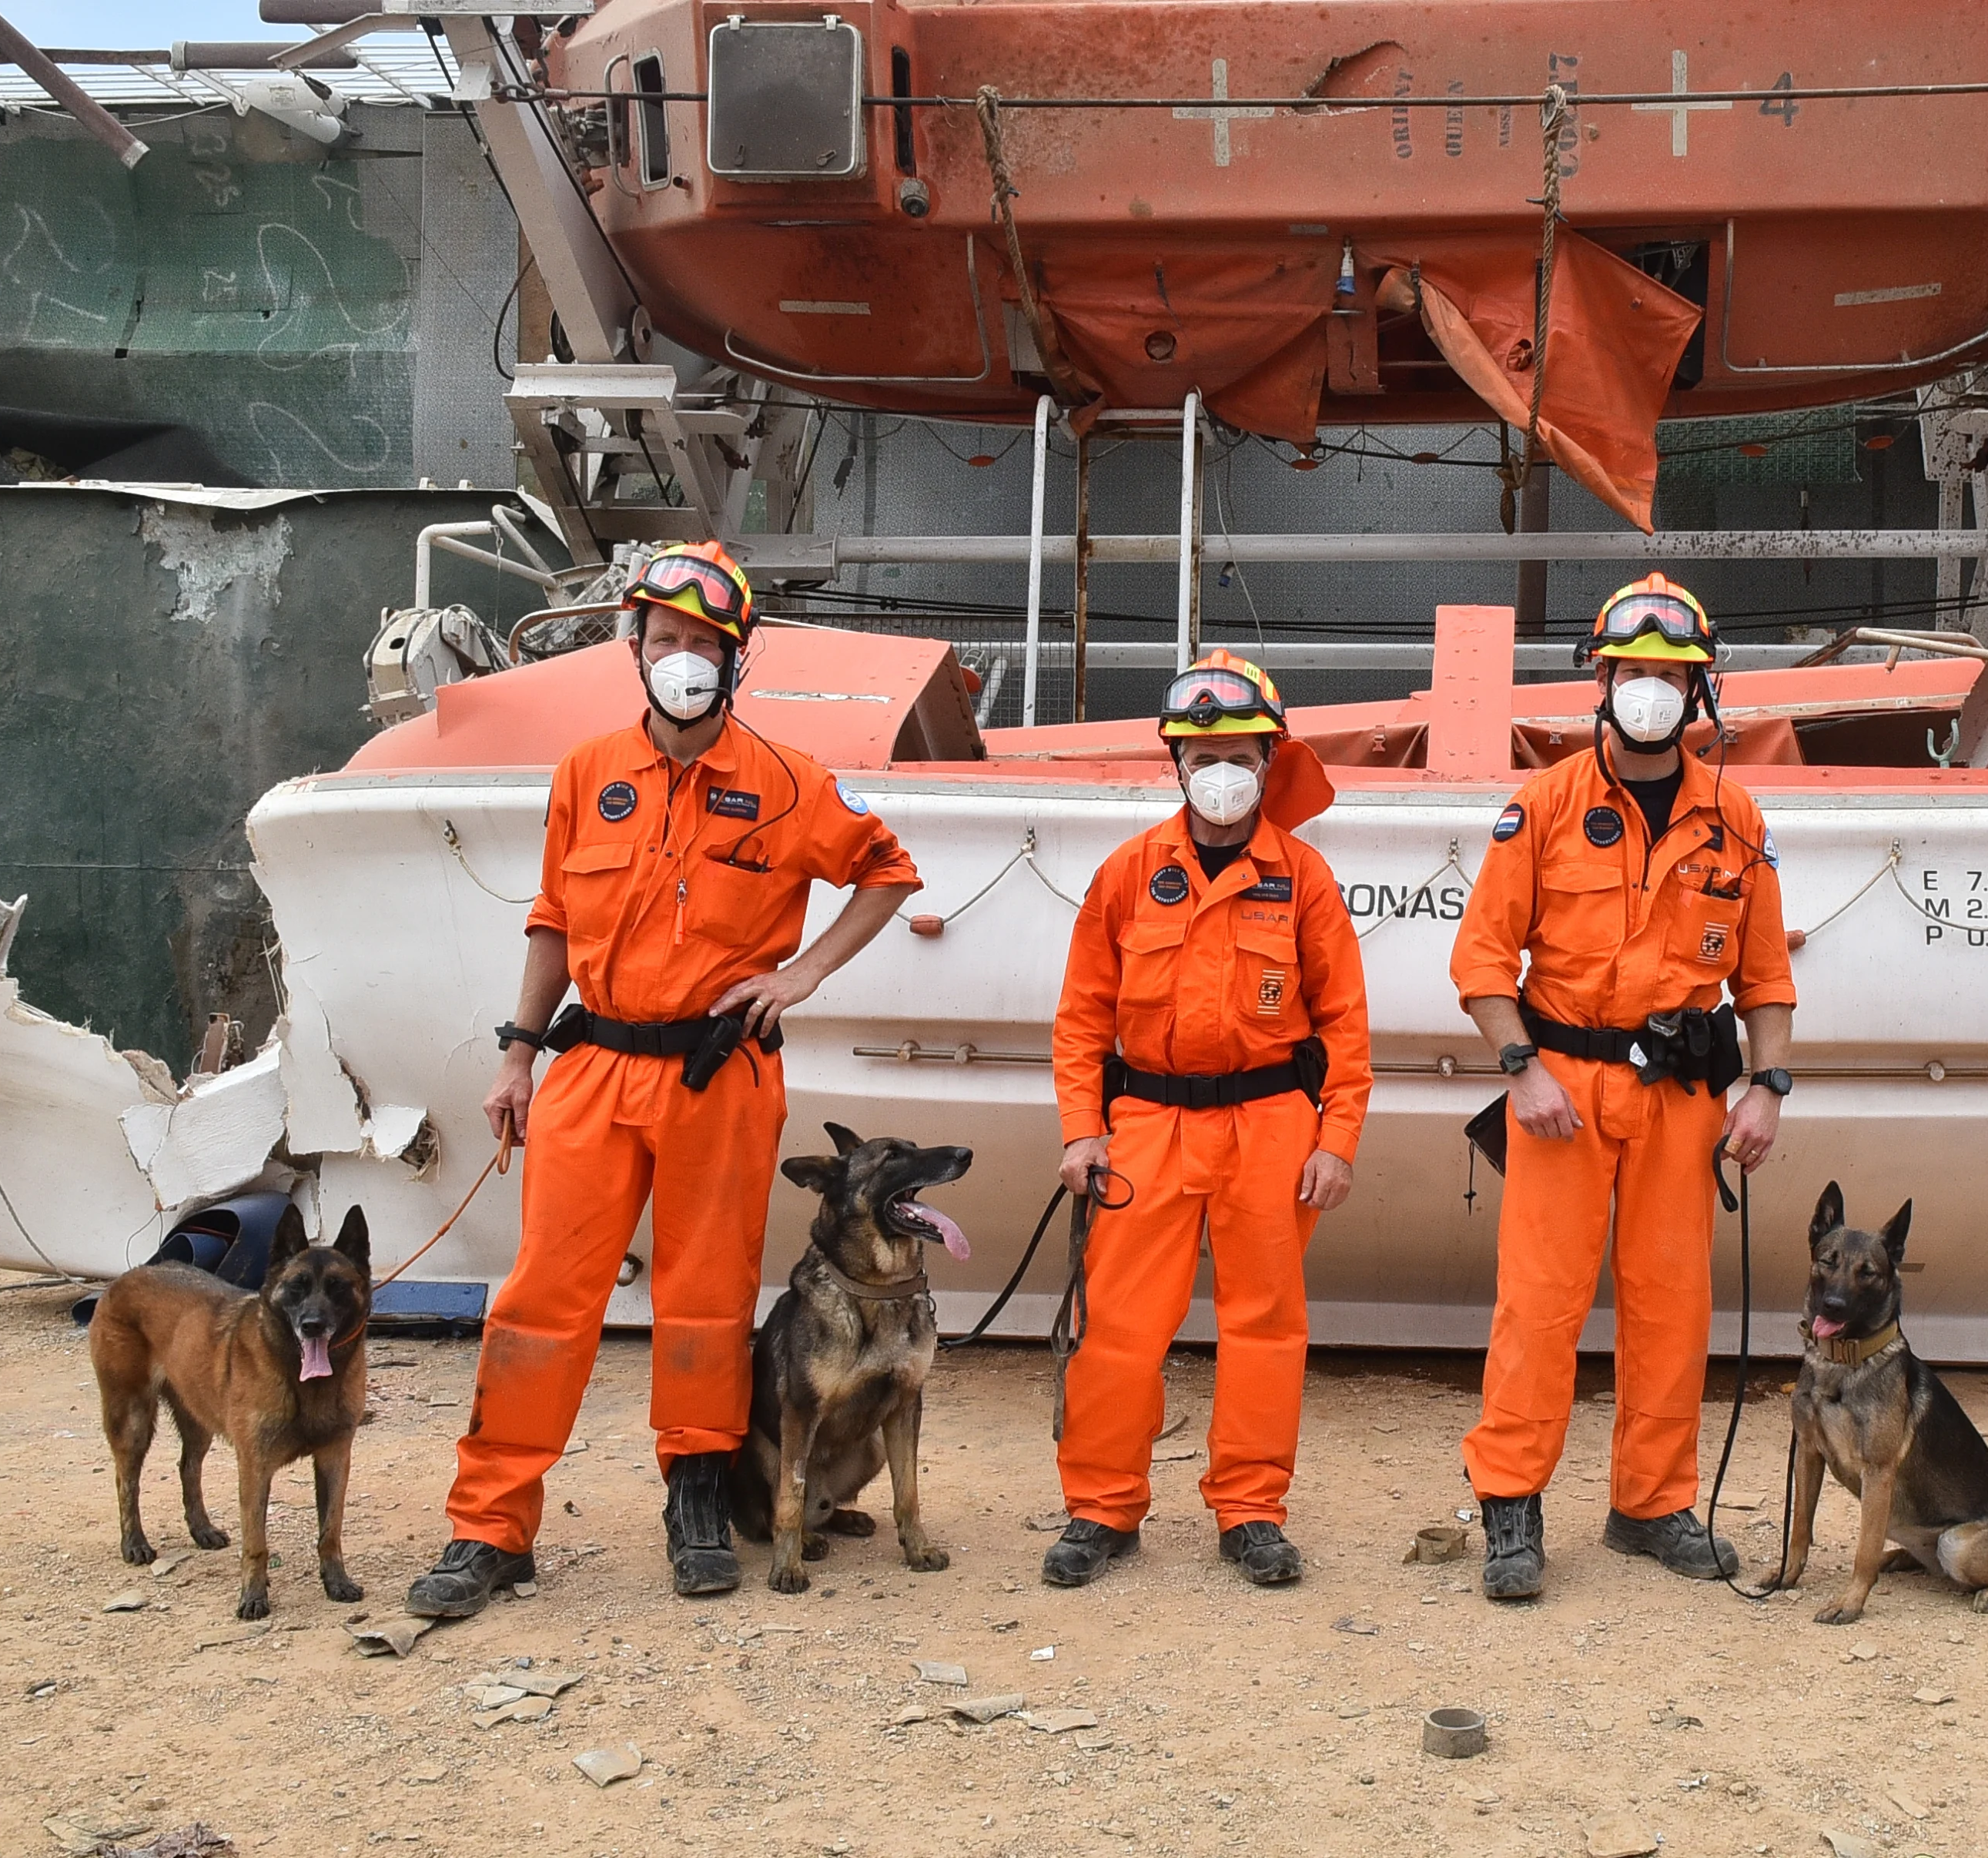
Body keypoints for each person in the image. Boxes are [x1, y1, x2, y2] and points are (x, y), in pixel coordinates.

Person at [405, 541, 921, 1615]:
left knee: (704, 1303)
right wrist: (516, 1051)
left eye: (705, 644)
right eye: (667, 639)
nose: (684, 658)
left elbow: (887, 872)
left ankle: (694, 1501)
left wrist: (803, 972)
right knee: (543, 1301)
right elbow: (553, 917)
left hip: (717, 1078)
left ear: (735, 661)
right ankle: (491, 1528)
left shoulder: (786, 783)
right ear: (635, 649)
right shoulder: (587, 775)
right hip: (594, 1068)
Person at [1447, 574, 1797, 1602]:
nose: (1649, 689)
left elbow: (1765, 976)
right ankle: (1510, 1506)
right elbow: (1482, 964)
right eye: (1633, 672)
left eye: (1669, 675)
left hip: (1681, 1107)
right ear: (1601, 680)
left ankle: (1652, 1505)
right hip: (1562, 1093)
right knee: (1539, 1312)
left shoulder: (1733, 816)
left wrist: (1767, 1085)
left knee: (1672, 1309)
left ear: (1700, 691)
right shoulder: (1545, 805)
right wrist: (1522, 1069)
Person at [1042, 651, 1372, 1589]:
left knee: (1265, 1325)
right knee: (1115, 1325)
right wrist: (1081, 1129)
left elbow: (1346, 1023)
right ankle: (1101, 1507)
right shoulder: (1129, 874)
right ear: (1175, 764)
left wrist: (1337, 1139)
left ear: (1269, 760)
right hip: (1146, 1122)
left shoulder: (1303, 879)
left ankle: (1252, 1509)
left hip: (1271, 1122)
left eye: (1237, 751)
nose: (1219, 771)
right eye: (1200, 752)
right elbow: (1081, 1017)